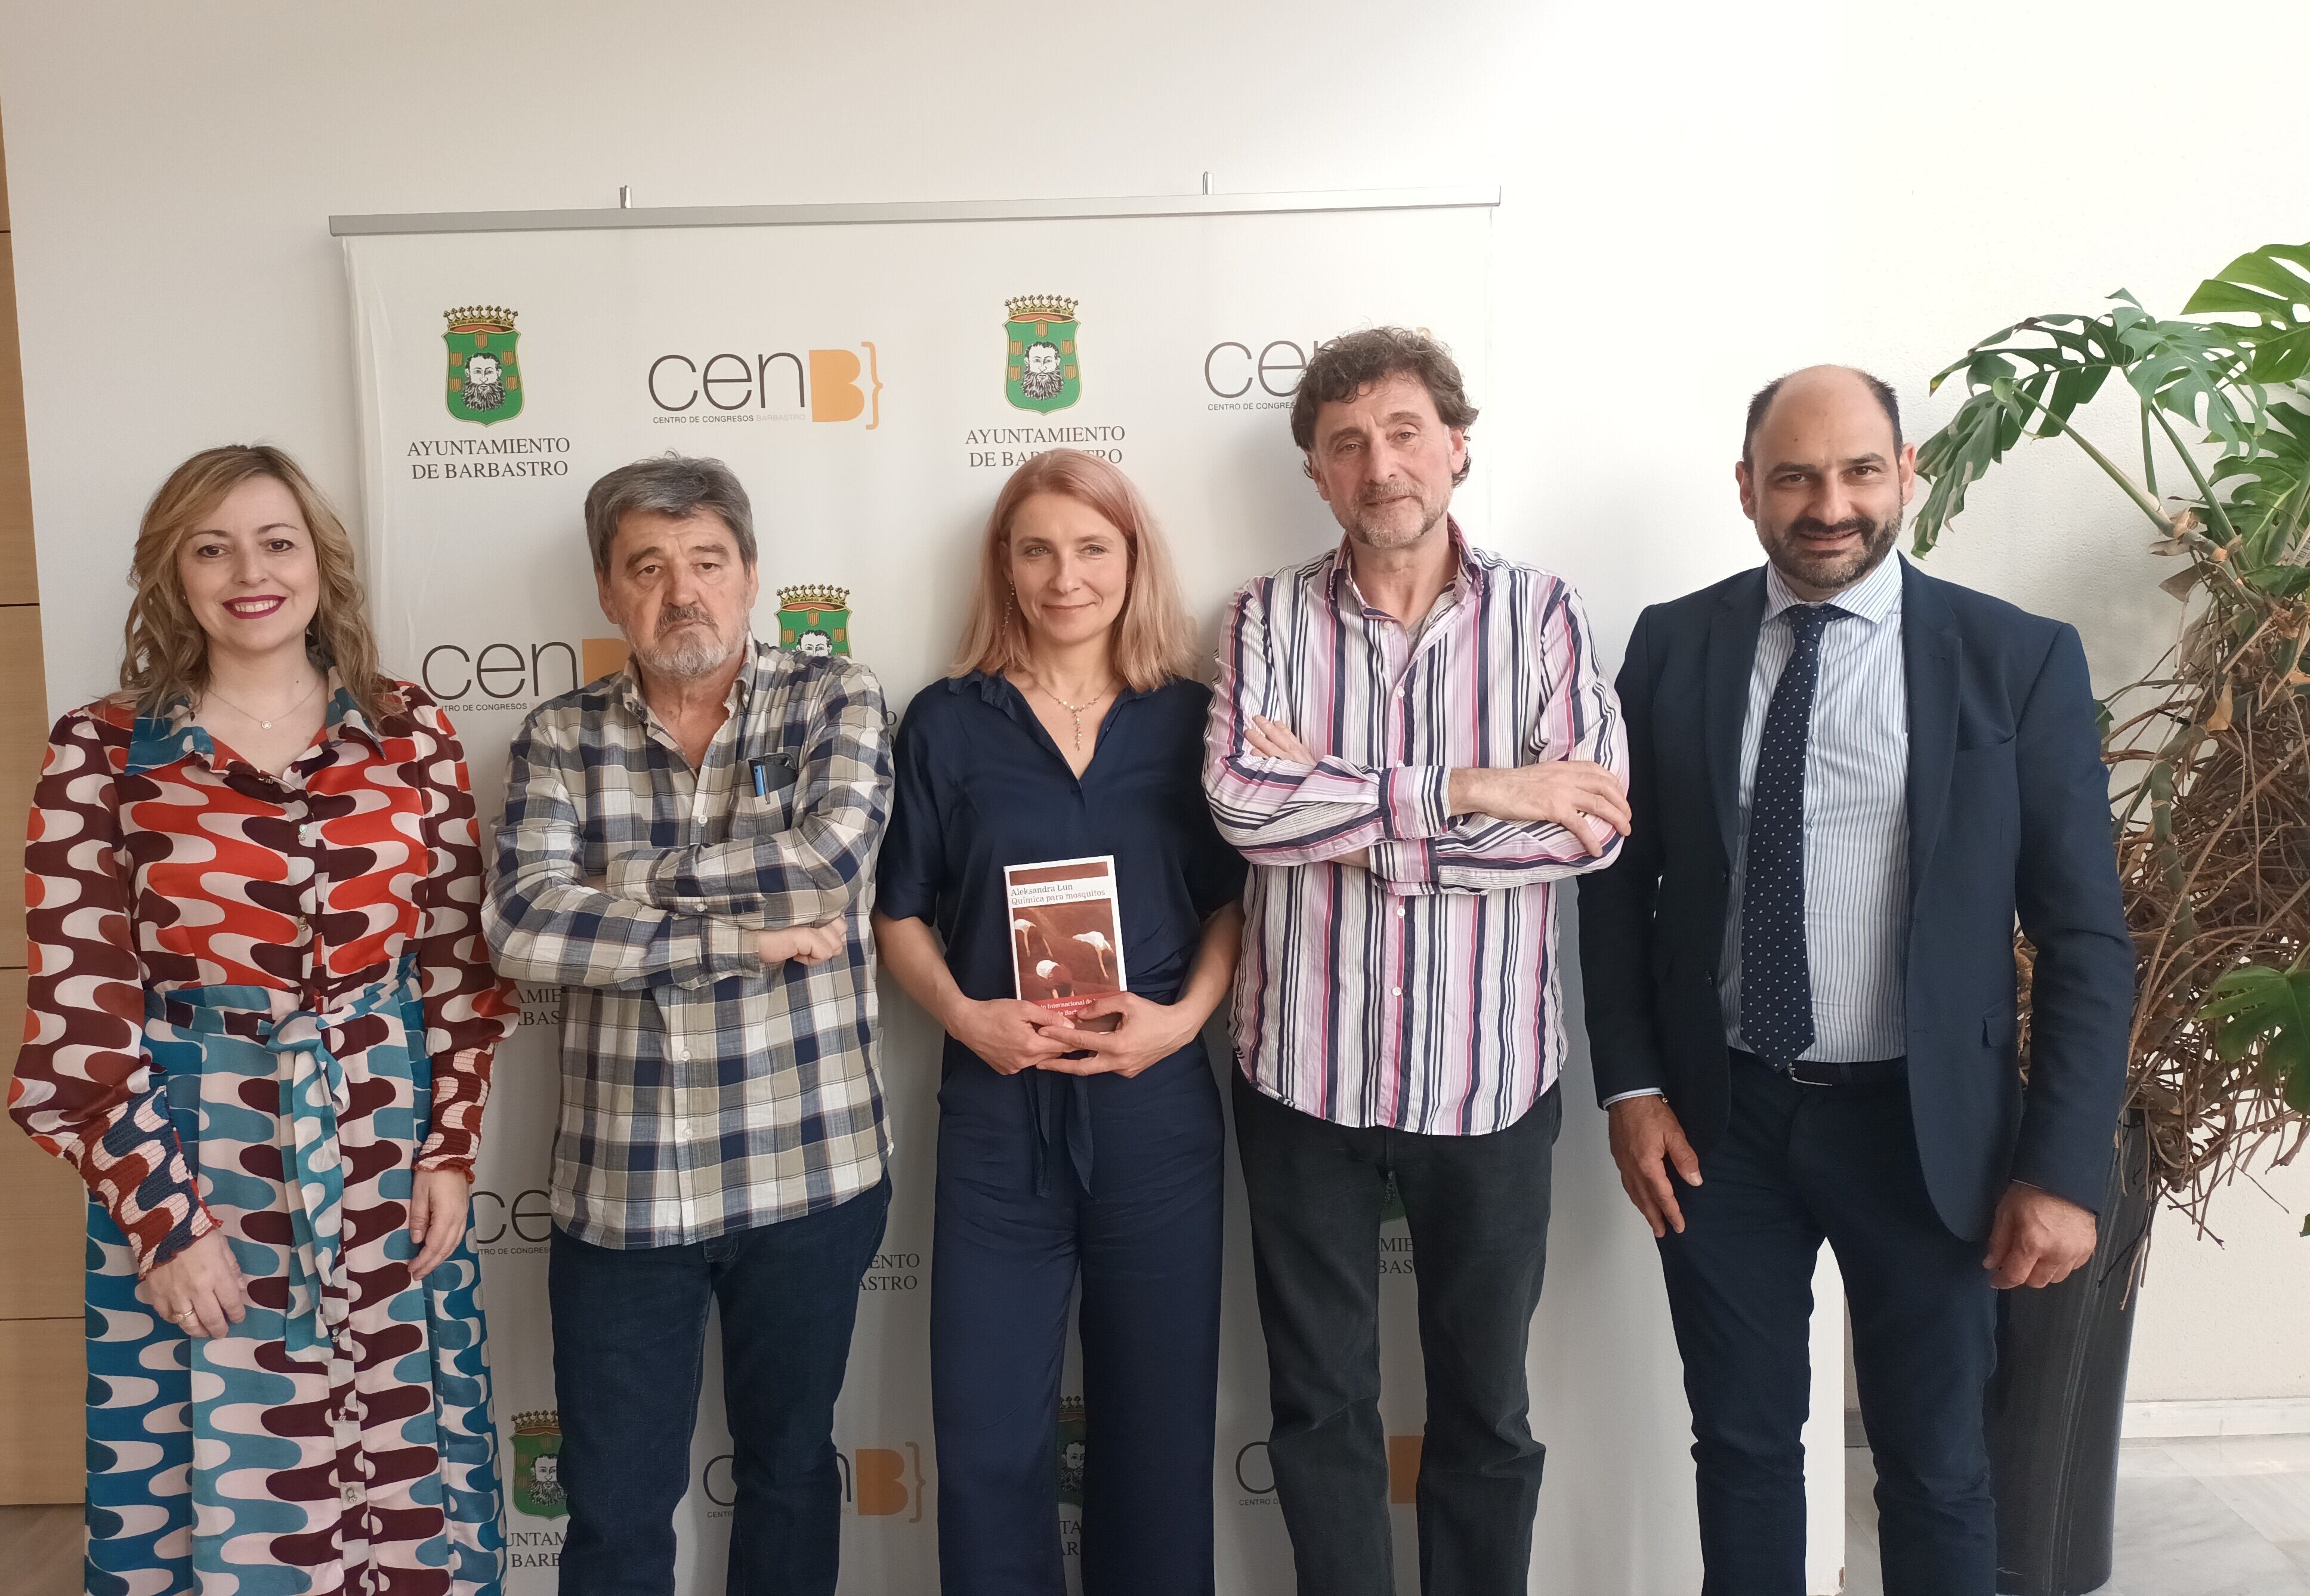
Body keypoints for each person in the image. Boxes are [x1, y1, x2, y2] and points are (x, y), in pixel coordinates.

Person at [1576, 366, 2135, 1595]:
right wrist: (1629, 1087)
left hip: (1928, 1133)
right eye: (1794, 476)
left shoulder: (2015, 661)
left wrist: (2061, 1168)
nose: (1828, 503)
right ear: (1746, 490)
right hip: (1722, 1121)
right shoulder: (1676, 642)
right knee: (1739, 1447)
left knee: (1937, 1466)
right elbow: (1617, 881)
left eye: (1857, 471)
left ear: (1906, 473)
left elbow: (2086, 935)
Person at [9, 444, 517, 1592]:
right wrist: (163, 1220)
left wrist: (449, 1150)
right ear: (171, 575)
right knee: (216, 1481)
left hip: (383, 1150)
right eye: (213, 546)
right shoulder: (103, 752)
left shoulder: (408, 730)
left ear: (318, 563)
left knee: (405, 1474)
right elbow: (81, 1011)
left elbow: (453, 966)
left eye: (276, 541)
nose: (251, 572)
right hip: (195, 1161)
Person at [1203, 328, 1630, 1596]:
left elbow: (1592, 831)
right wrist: (1480, 789)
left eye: (1401, 433)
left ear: (1456, 445)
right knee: (1318, 1407)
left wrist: (1343, 820)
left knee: (1486, 1410)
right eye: (1345, 445)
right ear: (1316, 477)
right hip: (1302, 1086)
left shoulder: (1545, 612)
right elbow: (1239, 806)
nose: (1377, 463)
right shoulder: (1262, 619)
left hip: (1487, 1085)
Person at [481, 455, 893, 1596]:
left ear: (752, 574)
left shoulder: (836, 698)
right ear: (609, 594)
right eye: (648, 568)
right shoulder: (559, 737)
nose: (684, 594)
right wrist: (738, 939)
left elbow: (830, 864)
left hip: (811, 1172)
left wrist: (619, 888)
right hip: (626, 1191)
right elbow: (519, 925)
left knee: (790, 1474)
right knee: (613, 1507)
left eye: (708, 562)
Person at [873, 449, 1246, 1596]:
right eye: (1035, 548)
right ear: (1004, 565)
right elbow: (897, 914)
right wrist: (967, 1020)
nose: (1065, 575)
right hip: (996, 1113)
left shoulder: (1193, 716)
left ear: (1133, 561)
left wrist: (1181, 1022)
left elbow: (1234, 900)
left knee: (1161, 1431)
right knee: (988, 1439)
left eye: (1093, 548)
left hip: (1156, 1111)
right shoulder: (947, 722)